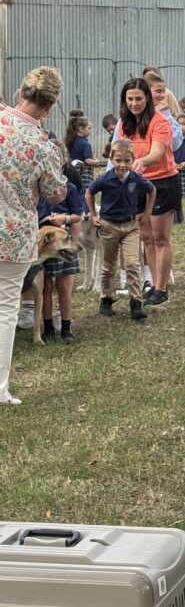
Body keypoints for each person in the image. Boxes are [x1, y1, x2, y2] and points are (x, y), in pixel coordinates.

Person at [0, 68, 66, 402]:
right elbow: (56, 194)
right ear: (48, 107)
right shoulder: (43, 145)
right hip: (14, 236)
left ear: (21, 91)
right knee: (5, 309)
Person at [116, 77, 180, 307]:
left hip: (162, 182)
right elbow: (121, 150)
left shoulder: (159, 121)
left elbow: (157, 152)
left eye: (139, 99)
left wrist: (141, 161)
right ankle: (154, 284)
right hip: (138, 183)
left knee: (161, 237)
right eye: (130, 99)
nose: (134, 103)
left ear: (147, 99)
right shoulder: (125, 124)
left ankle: (162, 289)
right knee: (146, 237)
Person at [86, 138, 156, 322]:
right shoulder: (105, 178)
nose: (122, 165)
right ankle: (106, 298)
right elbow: (89, 192)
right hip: (109, 226)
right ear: (111, 159)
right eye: (118, 160)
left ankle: (136, 302)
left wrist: (147, 212)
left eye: (127, 161)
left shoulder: (136, 178)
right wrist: (93, 215)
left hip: (131, 226)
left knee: (133, 264)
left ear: (133, 160)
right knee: (108, 266)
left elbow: (151, 190)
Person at [37, 172, 83, 343]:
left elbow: (78, 215)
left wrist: (65, 218)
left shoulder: (69, 188)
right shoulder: (36, 188)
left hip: (63, 241)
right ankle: (48, 328)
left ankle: (66, 327)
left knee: (64, 287)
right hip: (43, 243)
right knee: (45, 288)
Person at [65, 111, 100, 187]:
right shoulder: (86, 144)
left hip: (72, 172)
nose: (91, 131)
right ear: (81, 128)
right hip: (84, 174)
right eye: (89, 128)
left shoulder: (70, 141)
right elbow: (88, 161)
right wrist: (96, 162)